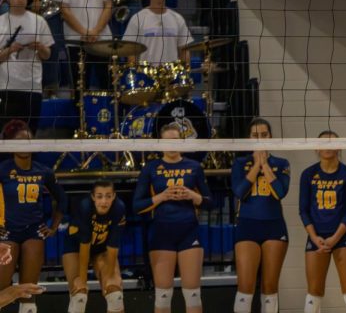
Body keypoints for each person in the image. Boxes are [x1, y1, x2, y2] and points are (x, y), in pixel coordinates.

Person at [134, 121, 212, 313]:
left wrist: (193, 196)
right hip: (161, 234)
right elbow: (137, 206)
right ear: (160, 143)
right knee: (163, 297)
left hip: (188, 232)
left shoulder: (194, 167)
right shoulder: (151, 168)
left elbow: (210, 203)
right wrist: (163, 196)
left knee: (193, 295)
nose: (172, 145)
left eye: (176, 140)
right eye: (167, 141)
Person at [0, 120, 65, 311]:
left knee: (28, 293)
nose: (24, 146)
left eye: (28, 141)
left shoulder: (43, 171)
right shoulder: (3, 169)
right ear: (10, 145)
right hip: (8, 232)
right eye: (19, 142)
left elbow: (62, 199)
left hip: (33, 232)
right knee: (2, 292)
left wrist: (53, 226)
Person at [230, 118, 289, 313]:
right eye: (255, 135)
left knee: (270, 287)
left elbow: (280, 192)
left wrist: (265, 166)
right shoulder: (240, 163)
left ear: (270, 136)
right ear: (249, 138)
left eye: (264, 135)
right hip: (247, 226)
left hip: (274, 227)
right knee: (245, 287)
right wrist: (256, 165)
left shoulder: (281, 163)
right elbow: (239, 192)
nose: (260, 138)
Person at [299, 131, 346, 313]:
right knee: (314, 294)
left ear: (339, 146)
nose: (327, 146)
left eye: (331, 142)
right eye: (323, 143)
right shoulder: (308, 174)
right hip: (316, 237)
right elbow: (303, 210)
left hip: (342, 236)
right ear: (316, 148)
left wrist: (334, 238)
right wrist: (314, 237)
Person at [63, 180, 126, 313]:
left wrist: (109, 277)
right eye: (99, 196)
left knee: (115, 293)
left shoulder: (119, 208)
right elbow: (85, 245)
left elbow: (113, 246)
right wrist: (82, 280)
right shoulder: (85, 206)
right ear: (92, 197)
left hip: (101, 248)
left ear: (114, 196)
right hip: (76, 247)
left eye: (108, 196)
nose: (104, 201)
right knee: (79, 295)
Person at [0, 0, 52, 134]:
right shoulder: (1, 22)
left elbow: (47, 55)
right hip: (6, 87)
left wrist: (41, 47)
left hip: (32, 87)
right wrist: (9, 50)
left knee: (29, 134)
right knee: (5, 136)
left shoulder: (39, 21)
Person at [121, 0, 188, 65]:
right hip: (145, 76)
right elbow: (131, 52)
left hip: (171, 76)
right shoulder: (137, 19)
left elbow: (184, 51)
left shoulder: (178, 19)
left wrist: (184, 73)